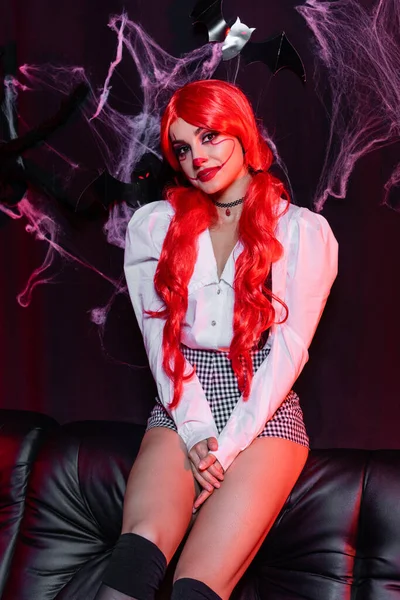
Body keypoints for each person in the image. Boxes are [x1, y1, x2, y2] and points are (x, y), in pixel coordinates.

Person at [94, 79, 338, 600]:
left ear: (241, 132)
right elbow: (160, 341)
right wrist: (197, 424)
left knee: (194, 587)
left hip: (264, 409)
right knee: (136, 555)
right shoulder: (155, 227)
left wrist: (225, 449)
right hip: (183, 397)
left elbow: (289, 352)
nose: (196, 158)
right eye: (182, 148)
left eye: (209, 137)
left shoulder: (300, 231)